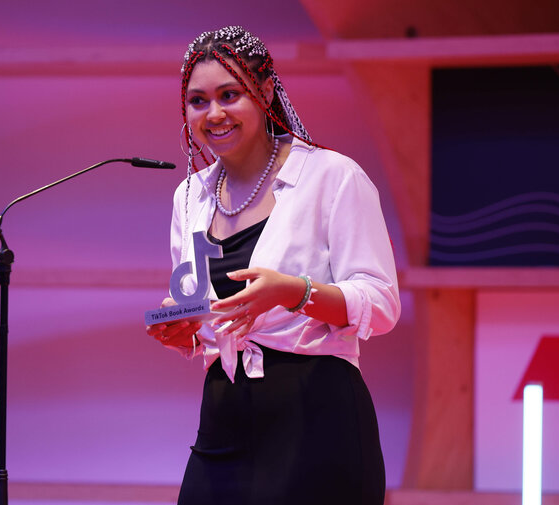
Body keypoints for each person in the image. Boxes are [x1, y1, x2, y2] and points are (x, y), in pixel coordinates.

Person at [146, 26, 400, 505]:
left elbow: (382, 304)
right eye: (198, 101)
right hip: (224, 409)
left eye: (230, 94)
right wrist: (185, 327)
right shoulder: (190, 197)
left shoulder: (332, 176)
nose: (214, 113)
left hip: (318, 414)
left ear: (264, 92)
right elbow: (201, 309)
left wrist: (295, 292)